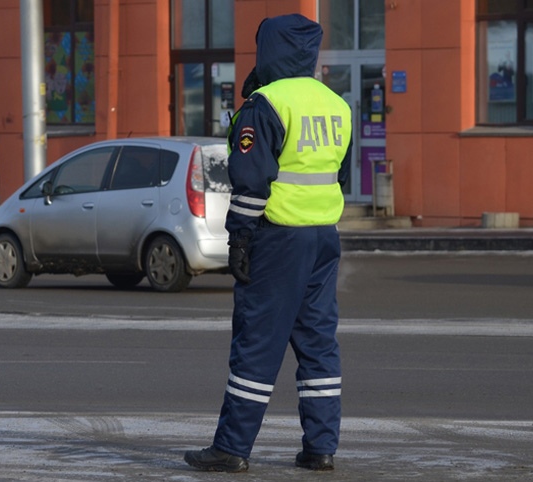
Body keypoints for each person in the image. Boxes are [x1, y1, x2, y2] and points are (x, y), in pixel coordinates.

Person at [183, 13, 352, 473]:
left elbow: (251, 182)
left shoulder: (265, 104)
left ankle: (231, 448)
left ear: (270, 49)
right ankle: (321, 447)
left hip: (278, 240)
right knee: (318, 343)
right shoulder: (337, 105)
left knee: (256, 342)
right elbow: (339, 175)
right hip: (324, 239)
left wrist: (239, 239)